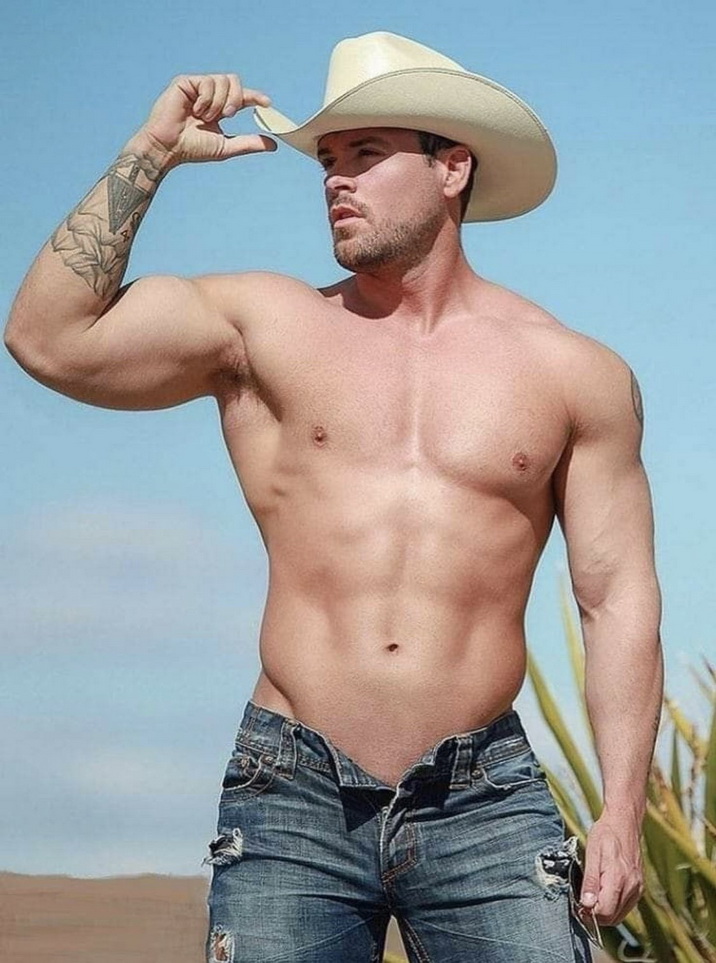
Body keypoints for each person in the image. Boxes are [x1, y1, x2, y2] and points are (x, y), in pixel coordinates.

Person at [4, 30, 662, 963]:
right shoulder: (265, 327)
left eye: (366, 154)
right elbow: (46, 338)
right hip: (292, 791)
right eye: (326, 160)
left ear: (452, 168)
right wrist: (151, 153)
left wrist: (622, 809)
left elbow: (617, 597)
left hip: (484, 798)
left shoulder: (573, 374)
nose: (336, 181)